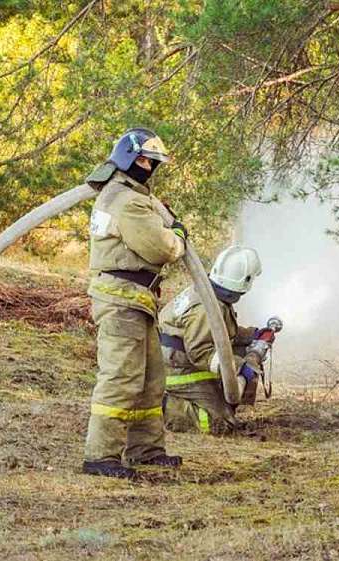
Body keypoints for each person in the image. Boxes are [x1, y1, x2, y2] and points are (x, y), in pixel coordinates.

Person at [81, 127, 189, 479]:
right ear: (131, 159)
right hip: (121, 299)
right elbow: (159, 248)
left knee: (150, 379)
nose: (150, 167)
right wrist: (177, 237)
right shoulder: (127, 201)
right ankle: (101, 457)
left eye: (153, 162)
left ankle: (146, 450)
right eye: (146, 160)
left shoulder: (124, 194)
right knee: (121, 377)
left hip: (136, 298)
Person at [158, 246, 280, 434]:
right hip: (176, 369)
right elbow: (200, 352)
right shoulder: (205, 308)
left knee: (226, 402)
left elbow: (220, 333)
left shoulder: (211, 292)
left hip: (181, 360)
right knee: (220, 423)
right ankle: (160, 406)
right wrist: (240, 367)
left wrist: (252, 335)